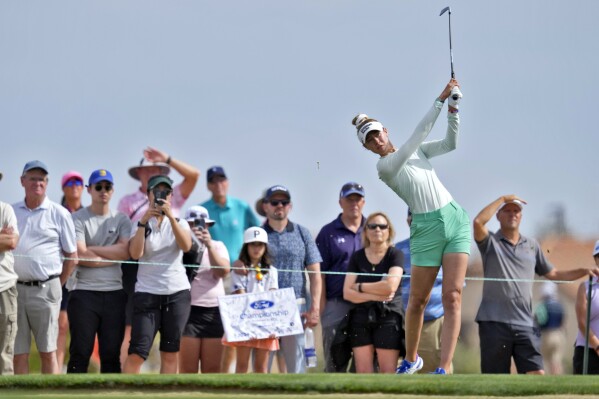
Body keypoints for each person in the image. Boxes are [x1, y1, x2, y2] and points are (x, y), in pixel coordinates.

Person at [353, 78, 469, 375]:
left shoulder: (416, 151)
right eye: (369, 140)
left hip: (455, 218)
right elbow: (418, 136)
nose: (376, 140)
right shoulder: (385, 167)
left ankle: (443, 367)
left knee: (453, 295)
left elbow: (450, 143)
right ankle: (411, 359)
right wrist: (440, 99)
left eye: (377, 134)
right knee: (418, 300)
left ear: (385, 131)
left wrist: (453, 109)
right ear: (367, 148)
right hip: (426, 227)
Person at [473, 195, 599, 374]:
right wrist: (502, 199)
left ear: (521, 216)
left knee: (538, 374)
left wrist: (583, 271)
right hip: (494, 322)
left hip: (525, 322)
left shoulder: (532, 246)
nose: (512, 214)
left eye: (516, 211)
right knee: (496, 377)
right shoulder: (490, 243)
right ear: (498, 216)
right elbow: (478, 222)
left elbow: (554, 274)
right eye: (507, 211)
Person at [117, 147, 199, 366]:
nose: (161, 196)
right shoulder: (137, 217)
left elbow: (186, 245)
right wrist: (144, 221)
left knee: (170, 353)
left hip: (176, 291)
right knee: (137, 351)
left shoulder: (179, 221)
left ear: (172, 195)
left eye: (166, 192)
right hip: (146, 290)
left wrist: (170, 217)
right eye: (157, 191)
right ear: (149, 194)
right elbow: (134, 253)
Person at [12, 161, 77, 374]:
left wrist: (56, 284)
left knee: (48, 351)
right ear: (23, 181)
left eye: (41, 179)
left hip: (46, 289)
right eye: (32, 178)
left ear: (47, 183)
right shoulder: (11, 212)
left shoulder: (59, 213)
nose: (37, 183)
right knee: (17, 352)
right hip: (15, 290)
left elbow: (72, 257)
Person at [251, 185, 322, 374]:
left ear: (290, 206)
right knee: (261, 368)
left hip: (296, 307)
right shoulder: (256, 234)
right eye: (274, 202)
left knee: (297, 368)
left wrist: (314, 307)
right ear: (265, 206)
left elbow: (315, 273)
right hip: (263, 309)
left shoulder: (302, 233)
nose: (279, 206)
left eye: (284, 202)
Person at [67, 169, 131, 373]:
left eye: (107, 186)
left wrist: (93, 250)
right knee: (80, 352)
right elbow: (81, 256)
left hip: (114, 293)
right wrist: (110, 256)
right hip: (83, 293)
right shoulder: (77, 218)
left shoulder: (122, 219)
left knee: (111, 355)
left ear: (112, 191)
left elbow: (125, 252)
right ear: (89, 190)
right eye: (98, 186)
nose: (103, 191)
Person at [200, 165, 260, 372]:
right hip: (212, 276)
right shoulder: (203, 209)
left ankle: (234, 373)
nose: (219, 185)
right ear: (208, 185)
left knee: (237, 326)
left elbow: (256, 233)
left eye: (222, 180)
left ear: (227, 182)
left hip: (240, 275)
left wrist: (245, 259)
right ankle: (223, 373)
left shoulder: (241, 207)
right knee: (220, 327)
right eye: (214, 181)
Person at [342, 212, 403, 373]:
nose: (377, 229)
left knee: (388, 372)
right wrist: (377, 294)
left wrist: (360, 287)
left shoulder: (395, 254)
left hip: (389, 316)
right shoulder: (357, 257)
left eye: (382, 226)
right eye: (372, 226)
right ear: (366, 231)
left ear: (389, 230)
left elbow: (390, 287)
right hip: (360, 317)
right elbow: (347, 293)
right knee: (363, 373)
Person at [316, 182, 366, 372]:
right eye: (349, 199)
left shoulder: (373, 229)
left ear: (363, 202)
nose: (354, 203)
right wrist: (321, 306)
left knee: (364, 362)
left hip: (365, 303)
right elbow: (319, 274)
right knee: (334, 360)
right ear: (340, 202)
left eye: (358, 199)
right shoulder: (328, 232)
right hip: (335, 302)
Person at [395, 209, 449, 373]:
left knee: (435, 376)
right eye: (415, 217)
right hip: (401, 323)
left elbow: (455, 290)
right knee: (402, 375)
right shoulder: (397, 250)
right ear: (408, 220)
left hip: (433, 322)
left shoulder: (445, 250)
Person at [179, 205, 231, 374]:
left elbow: (223, 271)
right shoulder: (180, 248)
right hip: (188, 311)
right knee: (188, 369)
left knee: (213, 369)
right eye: (192, 224)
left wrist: (208, 245)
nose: (197, 228)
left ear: (208, 226)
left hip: (213, 312)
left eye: (201, 224)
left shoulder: (218, 246)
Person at [224, 226, 279, 373]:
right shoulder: (238, 270)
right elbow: (240, 296)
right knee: (242, 366)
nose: (256, 248)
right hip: (245, 321)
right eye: (253, 244)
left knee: (261, 367)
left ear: (265, 247)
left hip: (265, 321)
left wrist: (272, 323)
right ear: (246, 246)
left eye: (260, 244)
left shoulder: (272, 271)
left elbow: (273, 297)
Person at [57, 170, 85, 372]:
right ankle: (56, 369)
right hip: (63, 274)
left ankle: (78, 370)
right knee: (61, 325)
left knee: (82, 326)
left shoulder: (89, 213)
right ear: (63, 187)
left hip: (85, 276)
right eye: (70, 182)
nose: (74, 185)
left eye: (78, 182)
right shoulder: (56, 212)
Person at [0, 171, 20, 375]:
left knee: (4, 355)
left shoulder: (6, 210)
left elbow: (11, 242)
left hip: (4, 288)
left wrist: (4, 240)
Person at [573, 241, 599, 374]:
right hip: (587, 352)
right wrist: (597, 346)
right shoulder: (586, 287)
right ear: (595, 260)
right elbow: (582, 323)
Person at [534, 281, 565, 375]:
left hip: (545, 335)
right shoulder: (559, 305)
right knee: (556, 360)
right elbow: (563, 322)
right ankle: (558, 381)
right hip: (558, 334)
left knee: (544, 360)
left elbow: (539, 321)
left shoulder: (542, 305)